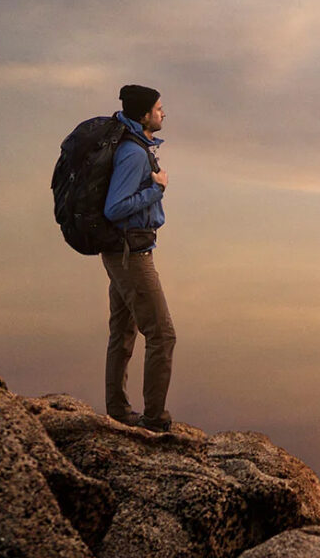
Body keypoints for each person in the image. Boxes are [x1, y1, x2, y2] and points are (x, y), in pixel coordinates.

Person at [102, 84, 175, 432]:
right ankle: (154, 420)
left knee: (123, 331)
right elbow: (115, 207)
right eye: (159, 108)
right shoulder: (133, 154)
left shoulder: (134, 146)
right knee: (162, 334)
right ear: (144, 115)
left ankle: (117, 410)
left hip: (122, 252)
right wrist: (155, 189)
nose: (163, 113)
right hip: (132, 255)